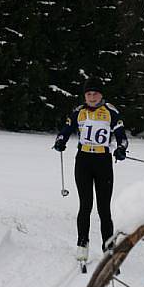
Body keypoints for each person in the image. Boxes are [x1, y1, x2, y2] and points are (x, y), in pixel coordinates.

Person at [54, 77, 128, 263]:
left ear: (101, 94)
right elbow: (66, 128)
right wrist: (60, 140)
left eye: (95, 93)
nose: (92, 97)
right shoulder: (79, 111)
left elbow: (121, 136)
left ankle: (108, 246)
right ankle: (82, 243)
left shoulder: (111, 111)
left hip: (103, 161)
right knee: (85, 205)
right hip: (84, 161)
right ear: (85, 96)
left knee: (104, 208)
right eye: (89, 94)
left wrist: (121, 149)